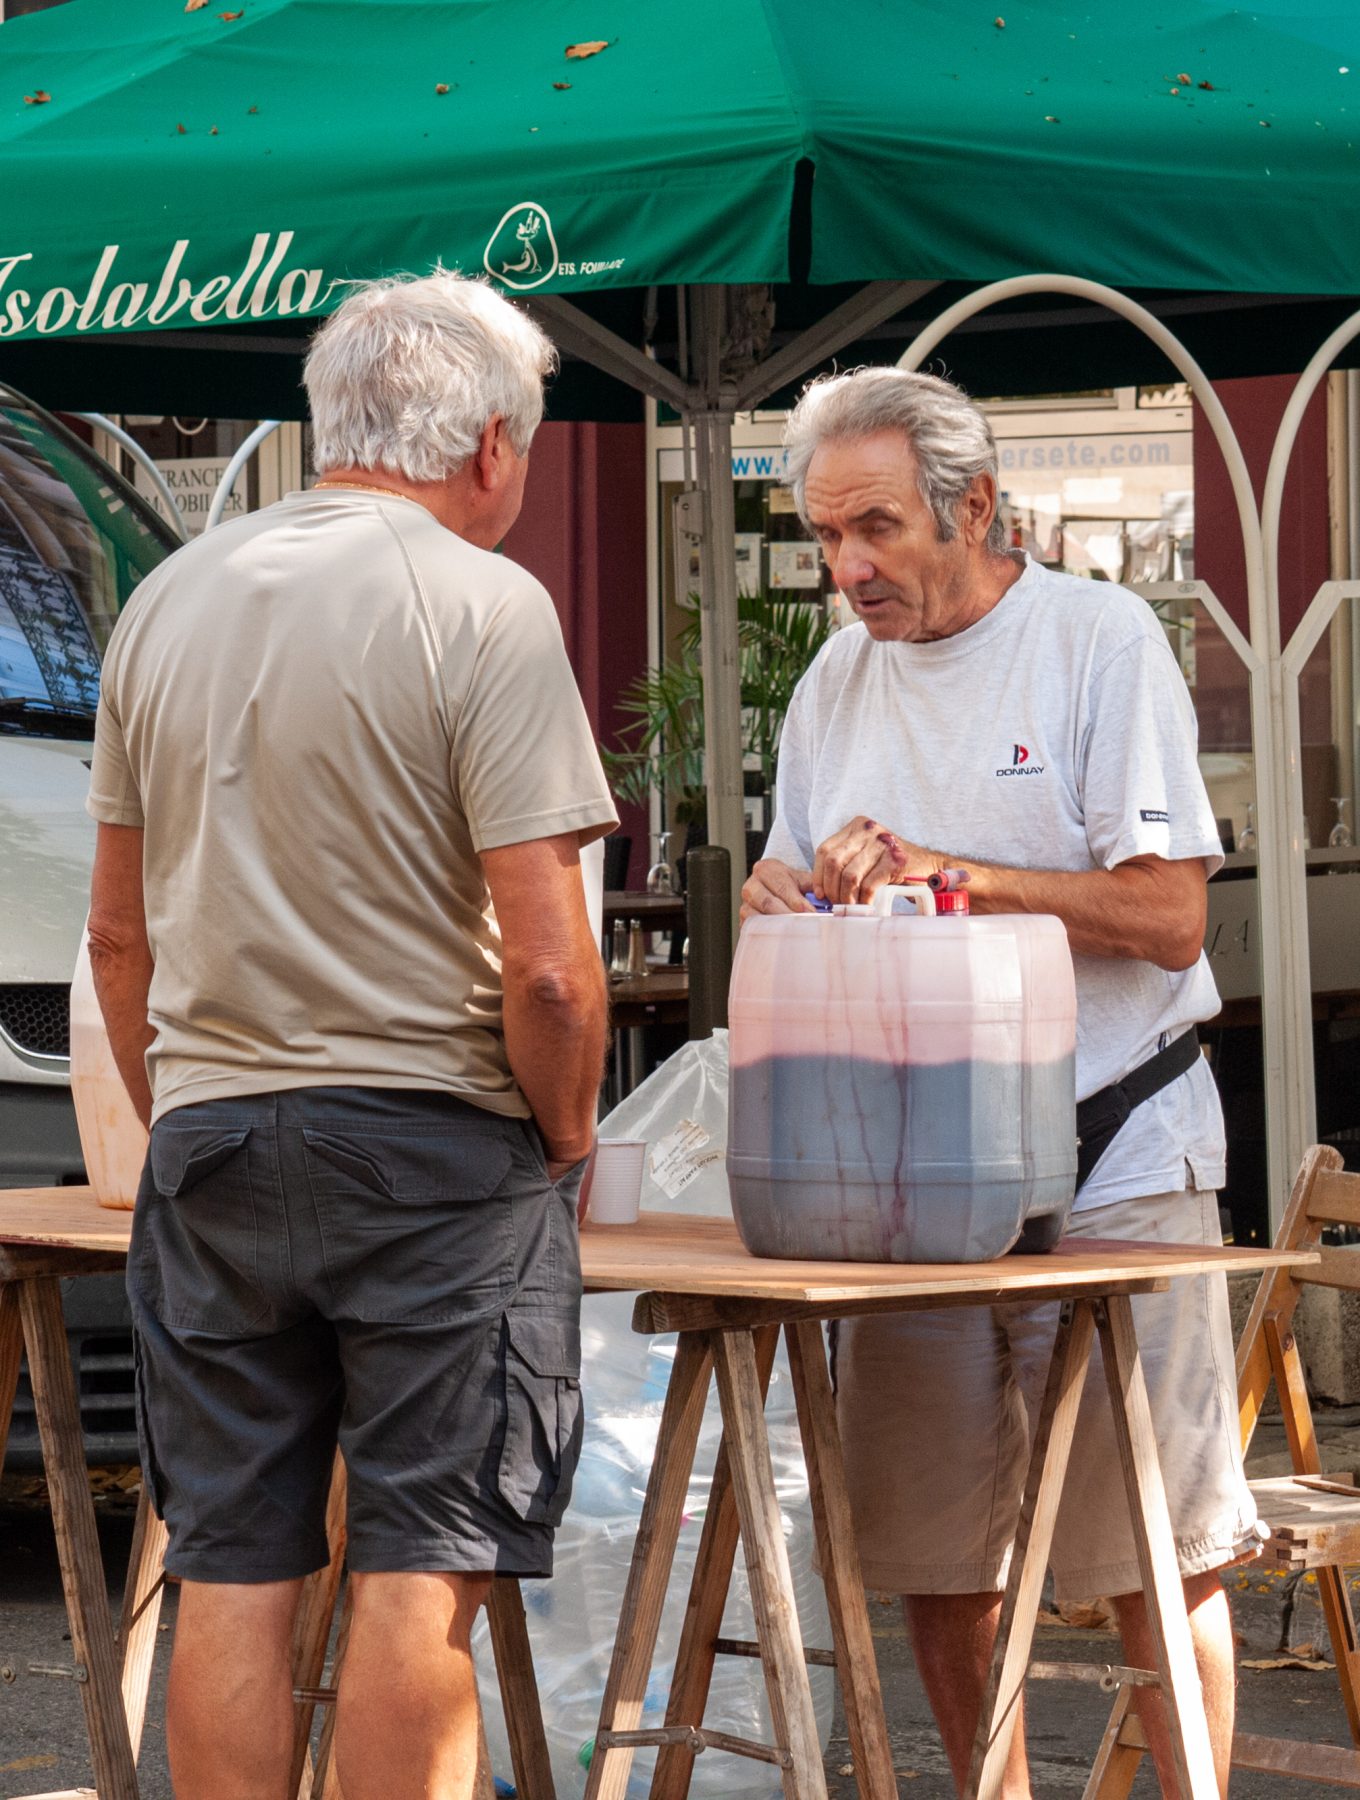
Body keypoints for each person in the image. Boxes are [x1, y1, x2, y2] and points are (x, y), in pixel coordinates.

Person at [85, 270, 616, 1800]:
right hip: (435, 1144)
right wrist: (568, 1139)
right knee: (421, 1559)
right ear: (495, 445)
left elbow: (117, 938)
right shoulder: (484, 604)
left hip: (212, 1139)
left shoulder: (166, 598)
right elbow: (555, 972)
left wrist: (183, 1105)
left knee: (232, 1558)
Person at [742, 367, 1257, 1799]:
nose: (848, 569)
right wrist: (789, 901)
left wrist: (949, 874)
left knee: (1153, 1554)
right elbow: (802, 880)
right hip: (910, 1177)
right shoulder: (834, 679)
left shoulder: (1098, 643)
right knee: (937, 1556)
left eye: (879, 529)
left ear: (975, 505)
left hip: (1121, 1152)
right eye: (826, 535)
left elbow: (1170, 920)